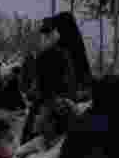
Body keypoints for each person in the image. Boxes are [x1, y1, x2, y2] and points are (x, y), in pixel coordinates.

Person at [21, 13, 91, 144]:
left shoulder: (51, 55)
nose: (46, 36)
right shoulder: (77, 54)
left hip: (49, 115)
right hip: (70, 114)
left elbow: (39, 88)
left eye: (49, 32)